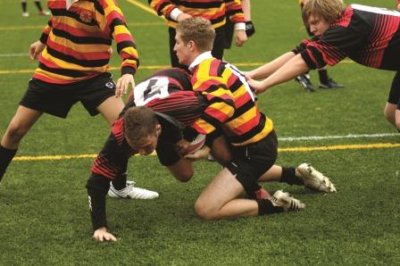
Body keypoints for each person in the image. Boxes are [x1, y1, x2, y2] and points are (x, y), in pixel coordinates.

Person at [171, 17, 337, 221]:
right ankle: (297, 175)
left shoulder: (204, 73)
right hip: (253, 141)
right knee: (229, 160)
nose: (174, 47)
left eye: (177, 41)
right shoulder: (216, 64)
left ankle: (276, 204)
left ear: (191, 45)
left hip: (253, 149)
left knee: (205, 208)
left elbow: (223, 106)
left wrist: (189, 136)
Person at [0, 0, 157, 199]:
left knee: (124, 126)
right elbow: (56, 19)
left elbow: (122, 33)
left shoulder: (103, 4)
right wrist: (42, 40)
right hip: (51, 73)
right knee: (15, 130)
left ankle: (119, 186)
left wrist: (128, 69)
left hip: (92, 77)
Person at [87, 68, 232, 242]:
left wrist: (197, 139)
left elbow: (223, 102)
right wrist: (99, 227)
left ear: (158, 130)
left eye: (146, 146)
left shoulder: (185, 105)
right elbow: (95, 183)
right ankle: (119, 186)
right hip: (159, 115)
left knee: (224, 153)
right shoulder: (119, 134)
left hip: (179, 88)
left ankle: (247, 180)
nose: (141, 153)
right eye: (136, 148)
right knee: (185, 175)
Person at [247, 0, 400, 132]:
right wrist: (252, 74)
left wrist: (264, 84)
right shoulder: (346, 19)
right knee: (391, 113)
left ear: (329, 15)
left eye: (315, 23)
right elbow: (298, 53)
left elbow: (304, 61)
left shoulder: (347, 28)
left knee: (398, 118)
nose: (312, 29)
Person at [148, 0, 248, 68]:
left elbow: (233, 1)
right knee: (183, 76)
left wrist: (240, 26)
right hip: (183, 32)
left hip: (214, 32)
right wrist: (178, 15)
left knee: (212, 74)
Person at [295, 0, 343, 92]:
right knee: (319, 44)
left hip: (325, 9)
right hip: (315, 10)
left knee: (321, 44)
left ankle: (323, 79)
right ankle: (303, 74)